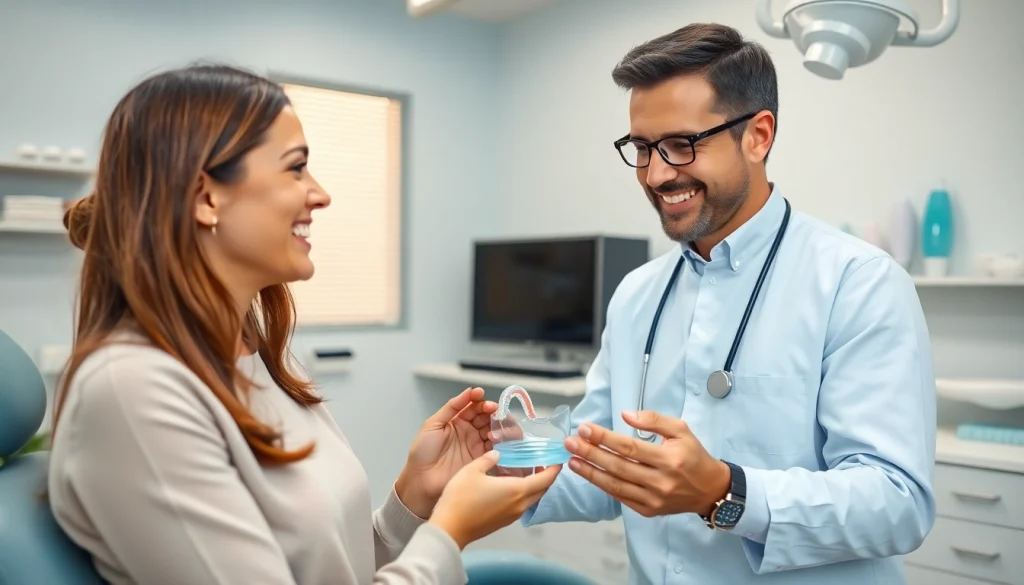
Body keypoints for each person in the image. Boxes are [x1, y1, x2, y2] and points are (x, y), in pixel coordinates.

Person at [46, 64, 561, 585]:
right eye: (295, 169)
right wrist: (449, 534)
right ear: (206, 198)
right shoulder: (134, 392)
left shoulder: (257, 356)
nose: (320, 194)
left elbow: (336, 569)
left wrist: (419, 497)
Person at [520, 23, 936, 584]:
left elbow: (897, 503)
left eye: (682, 144)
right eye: (642, 148)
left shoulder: (857, 283)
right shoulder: (637, 295)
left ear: (758, 136)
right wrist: (498, 465)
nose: (658, 173)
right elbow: (602, 462)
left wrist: (725, 491)